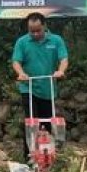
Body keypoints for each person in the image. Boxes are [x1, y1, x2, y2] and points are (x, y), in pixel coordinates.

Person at [11, 12, 69, 161]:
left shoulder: (56, 40)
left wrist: (60, 71)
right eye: (32, 31)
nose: (35, 34)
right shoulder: (22, 42)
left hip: (48, 88)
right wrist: (21, 73)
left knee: (47, 124)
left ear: (44, 26)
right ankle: (29, 157)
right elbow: (16, 61)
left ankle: (46, 155)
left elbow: (63, 58)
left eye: (38, 30)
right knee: (31, 123)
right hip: (28, 87)